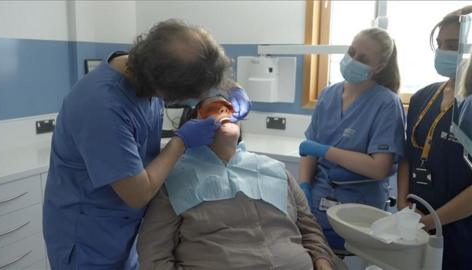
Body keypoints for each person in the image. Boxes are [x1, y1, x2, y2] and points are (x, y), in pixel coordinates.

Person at [43, 19, 251, 270]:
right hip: (89, 240)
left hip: (127, 230)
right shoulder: (102, 107)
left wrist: (227, 85)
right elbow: (138, 193)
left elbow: (195, 61)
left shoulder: (145, 65)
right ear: (163, 88)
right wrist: (181, 142)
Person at [137, 96, 337, 270]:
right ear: (194, 123)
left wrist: (323, 261)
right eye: (213, 108)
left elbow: (310, 229)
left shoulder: (275, 170)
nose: (224, 111)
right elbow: (153, 253)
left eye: (229, 108)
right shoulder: (173, 180)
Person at [299, 28, 406, 250]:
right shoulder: (328, 95)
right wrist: (304, 186)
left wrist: (325, 151)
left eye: (363, 59)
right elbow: (309, 151)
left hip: (359, 208)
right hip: (317, 200)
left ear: (379, 67)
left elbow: (379, 168)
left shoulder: (386, 104)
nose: (352, 60)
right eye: (351, 52)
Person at [397, 7, 472, 270]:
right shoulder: (422, 97)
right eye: (439, 45)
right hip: (413, 222)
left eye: (453, 45)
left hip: (461, 232)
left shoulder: (469, 106)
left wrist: (430, 221)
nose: (442, 52)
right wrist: (403, 203)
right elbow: (408, 156)